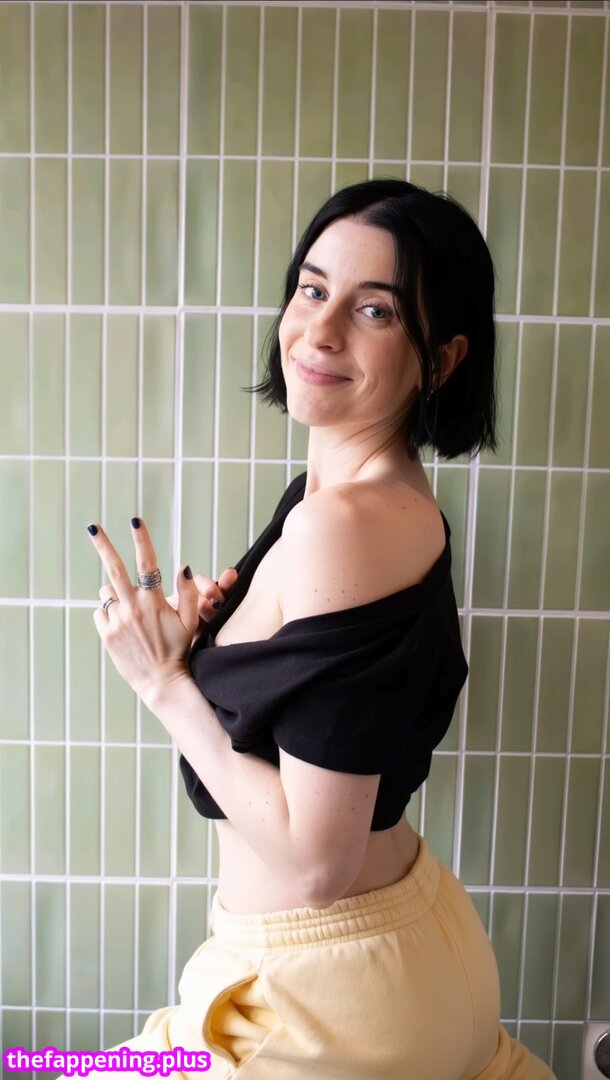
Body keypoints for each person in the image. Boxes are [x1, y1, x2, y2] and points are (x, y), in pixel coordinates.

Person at [74, 180, 556, 1078]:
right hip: (386, 949)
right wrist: (211, 650)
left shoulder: (346, 525)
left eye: (375, 309)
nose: (320, 330)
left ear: (442, 360)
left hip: (328, 995)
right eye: (312, 288)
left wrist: (164, 684)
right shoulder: (342, 500)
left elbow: (313, 866)